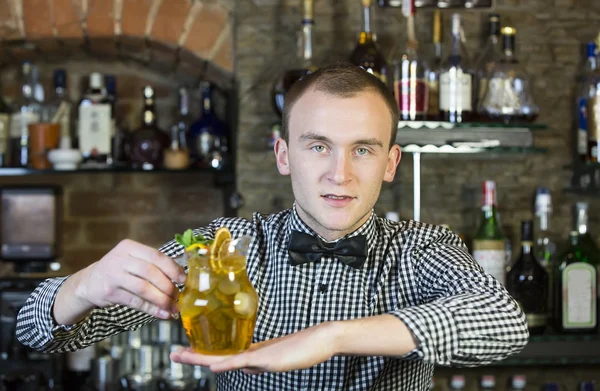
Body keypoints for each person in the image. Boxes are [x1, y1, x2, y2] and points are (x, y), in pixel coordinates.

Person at [16, 62, 528, 390]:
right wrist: (87, 284)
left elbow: (505, 323)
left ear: (391, 163)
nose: (339, 173)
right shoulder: (223, 250)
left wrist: (331, 337)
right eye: (318, 145)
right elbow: (36, 333)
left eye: (363, 150)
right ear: (284, 155)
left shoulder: (421, 249)